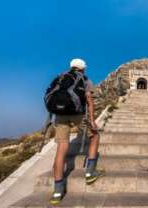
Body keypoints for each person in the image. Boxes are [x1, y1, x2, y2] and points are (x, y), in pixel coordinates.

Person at [47, 58, 104, 205]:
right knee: (95, 136)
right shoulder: (85, 80)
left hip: (60, 115)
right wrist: (92, 121)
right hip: (78, 114)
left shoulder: (61, 77)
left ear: (71, 67)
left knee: (61, 149)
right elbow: (90, 102)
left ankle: (58, 190)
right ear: (83, 69)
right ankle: (90, 172)